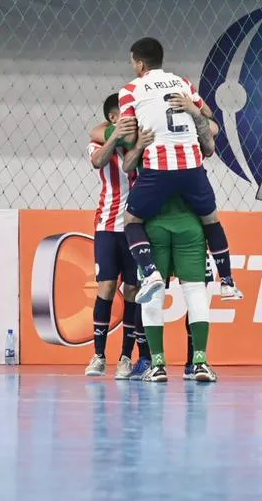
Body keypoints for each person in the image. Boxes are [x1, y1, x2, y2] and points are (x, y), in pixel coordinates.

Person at [118, 37, 243, 305]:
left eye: (132, 62)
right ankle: (228, 283)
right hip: (191, 167)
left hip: (158, 170)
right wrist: (193, 110)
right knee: (211, 220)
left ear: (140, 64)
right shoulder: (183, 83)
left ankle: (150, 273)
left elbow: (128, 134)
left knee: (131, 221)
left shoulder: (130, 90)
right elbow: (208, 115)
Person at [121, 102, 219, 383]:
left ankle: (158, 365)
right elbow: (214, 128)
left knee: (152, 291)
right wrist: (196, 110)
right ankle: (199, 362)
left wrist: (135, 140)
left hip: (154, 225)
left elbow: (112, 139)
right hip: (190, 223)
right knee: (195, 292)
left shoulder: (144, 132)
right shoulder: (192, 136)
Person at [85, 95, 151, 379]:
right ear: (114, 119)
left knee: (134, 292)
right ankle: (99, 356)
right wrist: (113, 138)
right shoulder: (100, 142)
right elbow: (97, 161)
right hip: (107, 224)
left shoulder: (141, 142)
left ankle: (126, 357)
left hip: (136, 226)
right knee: (107, 286)